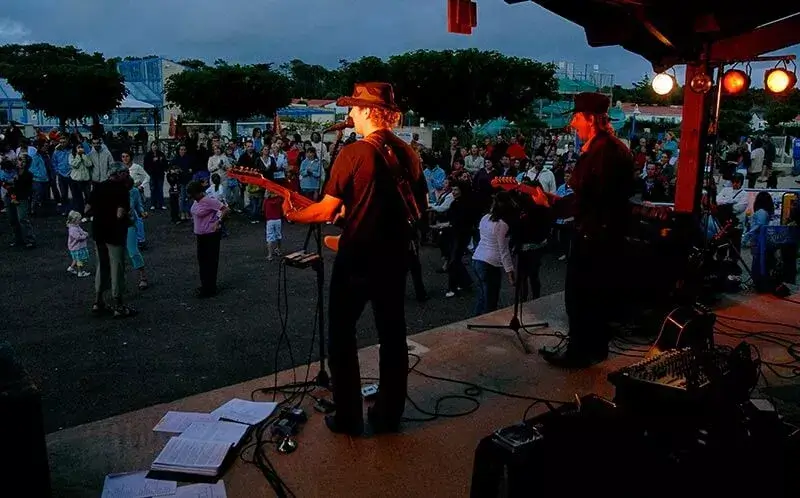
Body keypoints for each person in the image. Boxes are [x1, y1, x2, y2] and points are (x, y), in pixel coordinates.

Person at [283, 82, 426, 436]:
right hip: (395, 258)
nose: (348, 115)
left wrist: (294, 213)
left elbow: (326, 209)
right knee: (393, 334)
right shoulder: (407, 152)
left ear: (367, 112)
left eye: (353, 108)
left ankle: (348, 418)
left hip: (359, 258)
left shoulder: (354, 152)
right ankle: (388, 415)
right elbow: (410, 208)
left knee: (341, 336)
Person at [531, 92, 635, 368]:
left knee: (579, 297)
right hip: (607, 233)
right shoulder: (614, 148)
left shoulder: (599, 153)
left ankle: (578, 353)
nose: (573, 124)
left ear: (590, 118)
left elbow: (587, 199)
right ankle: (596, 348)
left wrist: (549, 206)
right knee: (598, 296)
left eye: (576, 117)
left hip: (592, 235)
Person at [86, 162, 135, 318]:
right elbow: (120, 214)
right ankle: (118, 305)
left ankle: (98, 300)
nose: (128, 175)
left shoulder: (98, 187)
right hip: (114, 233)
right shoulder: (121, 190)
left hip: (98, 231)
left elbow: (86, 209)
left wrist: (100, 212)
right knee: (117, 267)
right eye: (126, 172)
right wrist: (128, 217)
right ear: (119, 174)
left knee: (102, 265)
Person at [471, 191, 515, 315]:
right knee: (490, 301)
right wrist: (510, 272)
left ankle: (476, 322)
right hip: (490, 263)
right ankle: (487, 325)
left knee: (482, 297)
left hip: (477, 258)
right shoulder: (502, 225)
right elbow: (503, 250)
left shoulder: (485, 218)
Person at [188, 180, 229, 298]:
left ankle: (210, 288)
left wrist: (218, 221)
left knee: (210, 262)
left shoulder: (209, 200)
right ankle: (205, 285)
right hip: (200, 235)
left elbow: (225, 209)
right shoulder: (197, 201)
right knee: (202, 261)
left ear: (199, 192)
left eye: (193, 194)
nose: (192, 197)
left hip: (210, 234)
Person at [66, 210, 91, 277]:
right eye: (79, 220)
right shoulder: (73, 229)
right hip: (77, 247)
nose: (80, 221)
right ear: (74, 220)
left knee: (76, 259)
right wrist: (85, 236)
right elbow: (78, 237)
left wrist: (84, 232)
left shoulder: (76, 226)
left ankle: (71, 268)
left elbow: (81, 231)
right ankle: (80, 272)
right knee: (80, 261)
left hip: (76, 247)